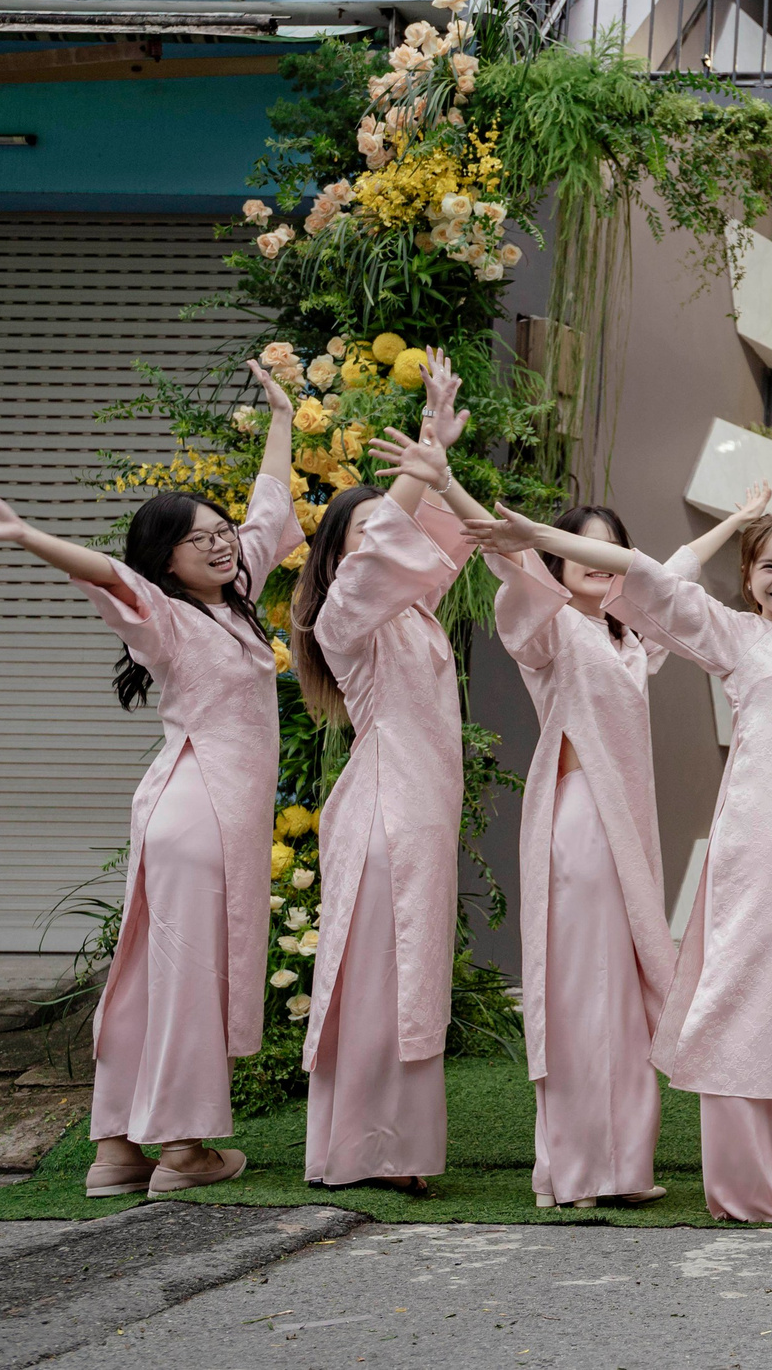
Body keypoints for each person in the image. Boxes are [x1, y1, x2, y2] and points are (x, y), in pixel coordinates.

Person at [473, 482, 772, 1223]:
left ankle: (769, 1170)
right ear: (747, 580)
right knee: (740, 1001)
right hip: (751, 849)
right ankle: (742, 1183)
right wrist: (535, 537)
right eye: (767, 566)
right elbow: (648, 572)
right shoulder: (731, 635)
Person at [0, 359, 298, 1199]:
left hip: (189, 813)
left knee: (149, 973)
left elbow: (271, 506)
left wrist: (281, 416)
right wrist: (26, 535)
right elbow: (104, 572)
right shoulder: (162, 615)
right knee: (186, 976)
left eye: (220, 530)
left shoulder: (234, 594)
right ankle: (182, 1149)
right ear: (164, 562)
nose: (221, 541)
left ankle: (116, 1150)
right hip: (199, 814)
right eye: (200, 537)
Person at [473, 497, 716, 1210]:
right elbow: (514, 563)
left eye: (609, 547)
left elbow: (672, 572)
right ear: (556, 560)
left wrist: (736, 521)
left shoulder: (630, 640)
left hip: (627, 836)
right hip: (580, 824)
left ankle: (622, 1168)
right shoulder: (550, 626)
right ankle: (576, 1171)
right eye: (582, 547)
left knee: (622, 996)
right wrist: (451, 488)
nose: (596, 558)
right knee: (582, 990)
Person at [288, 351, 481, 1195]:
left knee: (410, 982)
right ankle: (356, 1153)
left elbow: (436, 542)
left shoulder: (413, 614)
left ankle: (393, 1150)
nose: (383, 544)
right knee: (375, 983)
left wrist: (435, 451)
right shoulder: (343, 619)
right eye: (361, 534)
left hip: (417, 819)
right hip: (380, 819)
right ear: (336, 559)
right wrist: (415, 468)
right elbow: (384, 554)